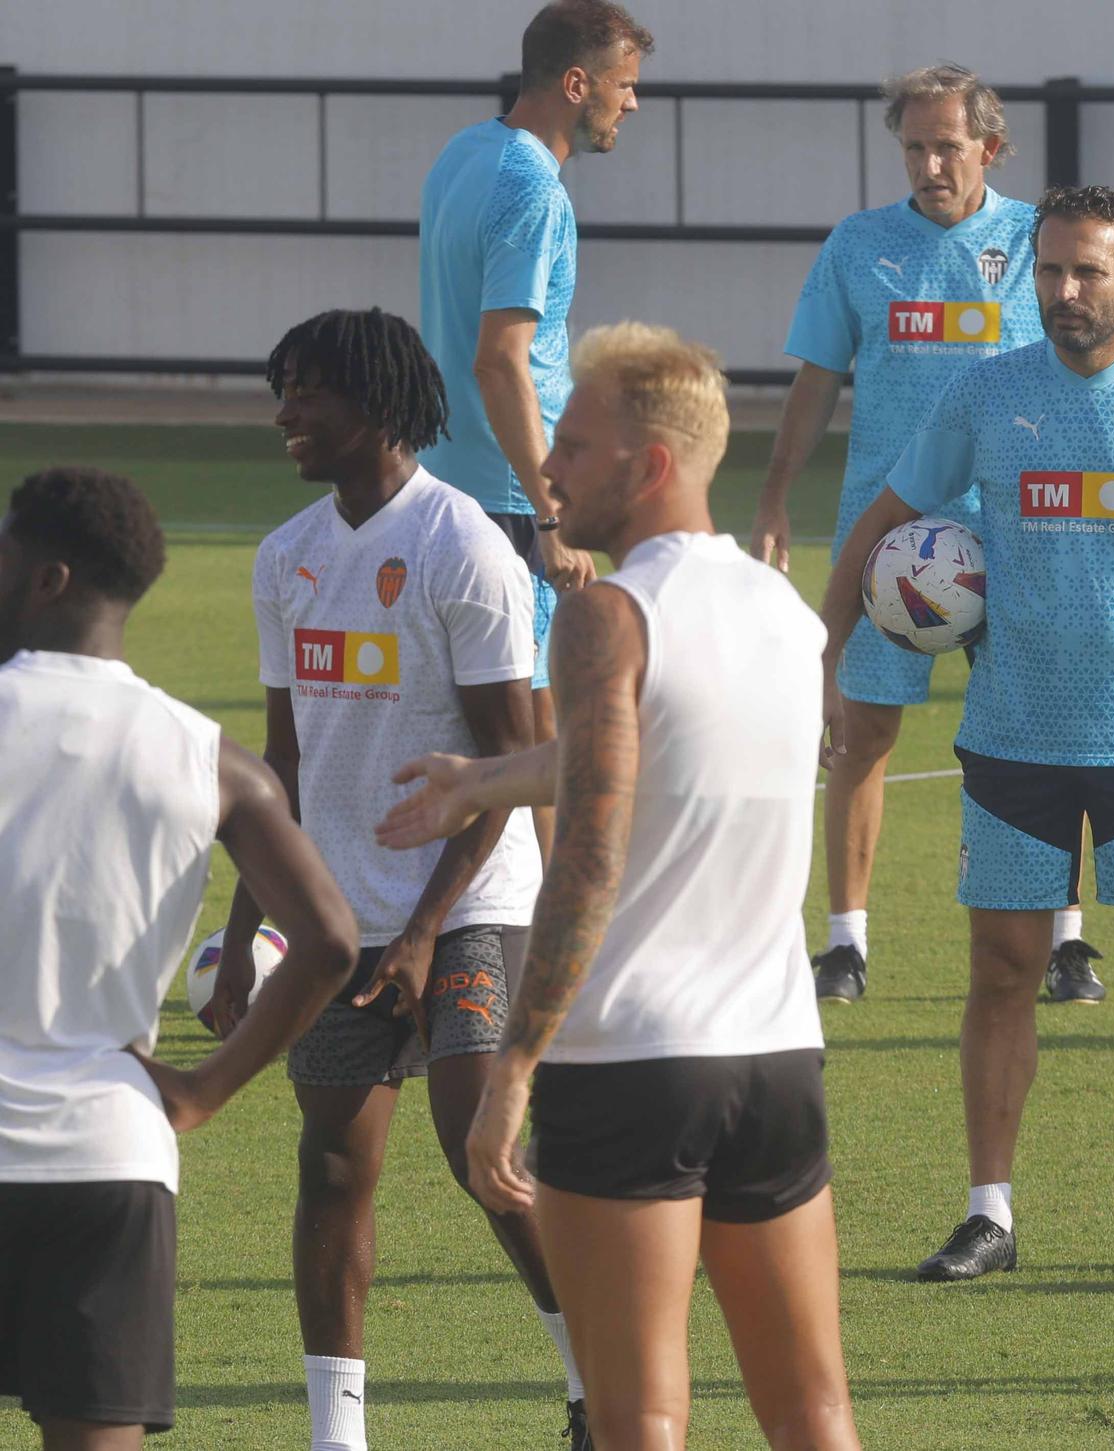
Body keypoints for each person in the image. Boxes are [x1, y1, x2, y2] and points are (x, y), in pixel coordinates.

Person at [375, 322, 861, 1450]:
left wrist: (515, 1061)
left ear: (648, 466)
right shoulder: (783, 615)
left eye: (575, 445)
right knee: (815, 1408)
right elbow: (661, 751)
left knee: (636, 1415)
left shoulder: (606, 612)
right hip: (776, 1060)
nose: (546, 467)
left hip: (630, 1062)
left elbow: (589, 849)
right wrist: (488, 775)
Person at [819, 184, 1114, 1281]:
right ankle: (990, 1213)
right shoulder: (986, 397)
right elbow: (875, 527)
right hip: (1013, 738)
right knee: (1001, 968)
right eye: (1047, 271)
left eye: (1085, 272)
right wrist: (815, 661)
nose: (1064, 292)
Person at [218, 309, 586, 1448]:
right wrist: (242, 934)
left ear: (375, 405)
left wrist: (429, 928)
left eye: (306, 392)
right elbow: (276, 766)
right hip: (334, 918)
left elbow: (510, 767)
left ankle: (596, 1385)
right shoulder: (286, 557)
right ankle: (339, 1432)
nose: (285, 413)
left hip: (470, 898)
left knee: (484, 1147)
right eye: (281, 388)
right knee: (331, 1163)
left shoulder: (461, 545)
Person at [0, 467, 359, 1450]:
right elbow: (329, 938)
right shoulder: (212, 759)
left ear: (46, 577)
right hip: (108, 1158)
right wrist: (202, 1090)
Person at [753, 63, 1107, 1007]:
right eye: (914, 146)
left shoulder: (1040, 244)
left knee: (1046, 728)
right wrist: (776, 497)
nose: (929, 163)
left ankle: (1068, 941)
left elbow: (1081, 367)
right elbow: (817, 379)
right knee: (861, 729)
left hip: (1020, 532)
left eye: (947, 145)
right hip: (891, 538)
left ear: (989, 147)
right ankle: (844, 944)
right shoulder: (859, 246)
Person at [419, 0, 655, 857]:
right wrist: (551, 512)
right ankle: (563, 947)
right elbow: (500, 358)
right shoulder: (532, 188)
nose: (632, 104)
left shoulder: (462, 154)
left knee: (478, 719)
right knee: (541, 729)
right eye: (625, 87)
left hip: (445, 477)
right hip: (511, 496)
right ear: (577, 82)